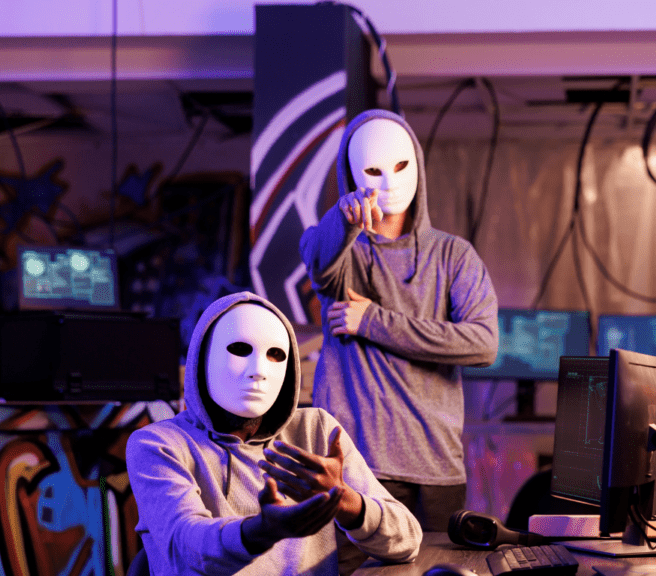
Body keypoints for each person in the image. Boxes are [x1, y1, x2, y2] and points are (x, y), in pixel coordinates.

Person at [299, 109, 499, 531]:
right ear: (352, 175)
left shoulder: (453, 255)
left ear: (418, 167)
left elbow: (482, 343)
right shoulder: (340, 251)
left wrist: (372, 320)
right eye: (373, 169)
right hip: (358, 467)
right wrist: (343, 218)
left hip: (437, 466)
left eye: (400, 166)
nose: (389, 182)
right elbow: (317, 257)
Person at [126, 292, 421, 575]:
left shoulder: (316, 432)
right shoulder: (158, 444)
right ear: (203, 359)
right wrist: (261, 531)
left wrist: (343, 500)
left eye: (275, 355)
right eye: (240, 350)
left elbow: (407, 540)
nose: (258, 370)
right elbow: (186, 547)